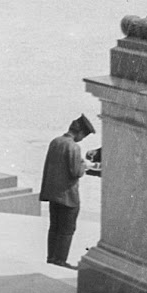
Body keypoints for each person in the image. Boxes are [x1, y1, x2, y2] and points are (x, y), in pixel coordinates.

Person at [41, 115, 97, 268]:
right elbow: (75, 172)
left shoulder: (56, 141)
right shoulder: (73, 147)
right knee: (67, 229)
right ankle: (60, 260)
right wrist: (84, 165)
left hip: (53, 193)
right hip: (68, 196)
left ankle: (51, 257)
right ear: (80, 133)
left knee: (54, 227)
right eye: (83, 136)